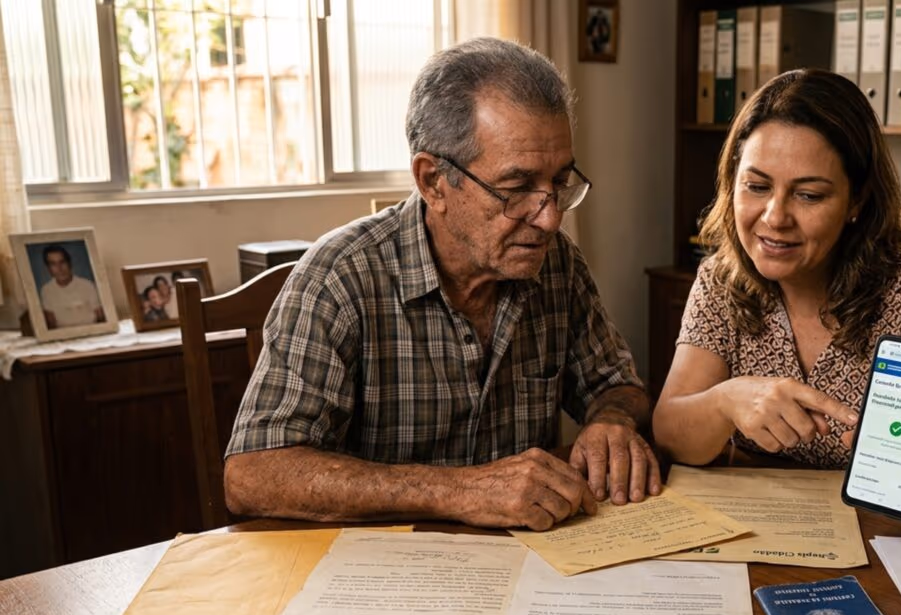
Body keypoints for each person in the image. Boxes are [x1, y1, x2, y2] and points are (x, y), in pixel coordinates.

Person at [224, 38, 659, 531]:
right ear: (433, 181)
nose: (550, 218)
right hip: (381, 577)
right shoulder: (341, 277)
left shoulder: (556, 265)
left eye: (559, 183)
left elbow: (617, 386)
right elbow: (253, 473)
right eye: (517, 189)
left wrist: (612, 422)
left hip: (532, 566)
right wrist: (460, 490)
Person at [652, 69, 901, 511]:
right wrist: (725, 402)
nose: (774, 217)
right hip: (764, 528)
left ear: (857, 201)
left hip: (888, 540)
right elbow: (670, 432)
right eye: (756, 186)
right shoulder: (722, 278)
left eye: (808, 195)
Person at [38, 245, 105, 329]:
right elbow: (51, 322)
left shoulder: (87, 285)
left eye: (62, 262)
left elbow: (100, 316)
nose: (59, 268)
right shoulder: (46, 290)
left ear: (69, 263)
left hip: (91, 330)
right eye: (53, 264)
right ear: (48, 268)